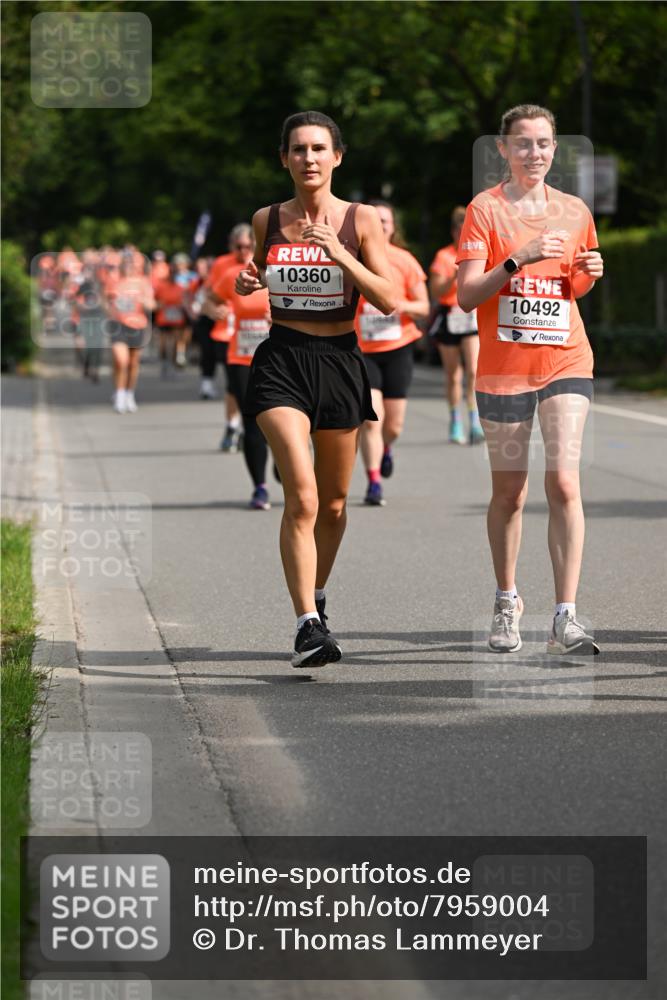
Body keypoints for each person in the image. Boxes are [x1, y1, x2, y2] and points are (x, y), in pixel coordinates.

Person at [235, 110, 396, 668]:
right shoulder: (267, 218)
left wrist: (340, 253)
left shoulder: (361, 219)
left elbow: (387, 298)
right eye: (299, 149)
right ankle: (306, 624)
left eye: (319, 148)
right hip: (282, 360)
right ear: (284, 158)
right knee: (301, 496)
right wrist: (251, 280)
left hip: (340, 361)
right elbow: (263, 273)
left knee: (332, 504)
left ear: (337, 157)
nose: (309, 158)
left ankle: (317, 597)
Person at [456, 103, 603, 656]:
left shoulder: (574, 210)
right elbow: (467, 295)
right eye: (522, 143)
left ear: (554, 149)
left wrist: (588, 275)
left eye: (543, 143)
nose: (533, 153)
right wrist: (517, 259)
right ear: (503, 148)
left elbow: (571, 287)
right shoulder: (485, 210)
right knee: (510, 491)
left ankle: (566, 615)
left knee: (564, 482)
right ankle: (507, 598)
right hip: (504, 370)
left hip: (566, 360)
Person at [354, 200, 429, 505]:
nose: (380, 226)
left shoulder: (404, 260)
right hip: (363, 351)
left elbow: (424, 307)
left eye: (385, 221)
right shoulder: (353, 260)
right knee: (372, 419)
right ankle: (373, 482)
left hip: (398, 348)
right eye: (375, 221)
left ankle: (386, 448)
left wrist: (399, 305)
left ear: (393, 227)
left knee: (393, 426)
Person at [209, 231, 273, 509]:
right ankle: (259, 488)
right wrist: (215, 311)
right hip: (242, 357)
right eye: (240, 245)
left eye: (250, 245)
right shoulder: (233, 275)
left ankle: (283, 463)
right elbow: (210, 300)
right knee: (252, 422)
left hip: (278, 358)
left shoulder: (279, 271)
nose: (245, 250)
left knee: (282, 419)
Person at [429, 206, 484, 445]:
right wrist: (454, 276)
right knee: (453, 374)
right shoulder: (444, 256)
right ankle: (455, 421)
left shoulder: (478, 254)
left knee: (473, 370)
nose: (464, 237)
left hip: (470, 316)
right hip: (450, 316)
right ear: (453, 232)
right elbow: (436, 292)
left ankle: (474, 422)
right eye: (460, 232)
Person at [108, 252, 155, 413]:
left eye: (132, 264)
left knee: (133, 363)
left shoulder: (143, 282)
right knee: (121, 361)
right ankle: (119, 395)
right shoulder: (114, 280)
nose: (129, 267)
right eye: (126, 264)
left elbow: (152, 304)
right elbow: (105, 301)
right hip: (118, 325)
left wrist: (141, 300)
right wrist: (112, 309)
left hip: (137, 325)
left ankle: (129, 393)